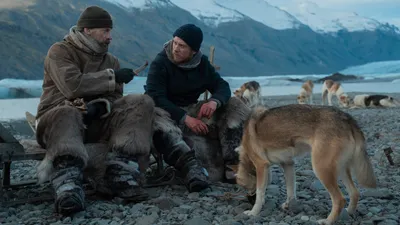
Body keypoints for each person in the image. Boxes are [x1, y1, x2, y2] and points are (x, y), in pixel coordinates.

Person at [35, 6, 209, 216]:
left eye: (110, 31)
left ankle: (121, 172)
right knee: (67, 113)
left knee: (142, 102)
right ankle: (68, 185)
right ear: (87, 29)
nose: (110, 37)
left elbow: (114, 99)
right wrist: (112, 77)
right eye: (105, 31)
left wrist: (101, 106)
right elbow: (71, 85)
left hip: (95, 121)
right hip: (57, 120)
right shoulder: (60, 51)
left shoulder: (110, 60)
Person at [146, 24, 250, 183]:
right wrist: (185, 118)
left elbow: (222, 86)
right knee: (210, 173)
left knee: (234, 104)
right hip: (164, 115)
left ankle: (234, 164)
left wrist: (214, 102)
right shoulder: (160, 63)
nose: (175, 48)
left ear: (193, 51)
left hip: (192, 110)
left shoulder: (201, 64)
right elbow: (156, 97)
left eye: (182, 46)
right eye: (175, 43)